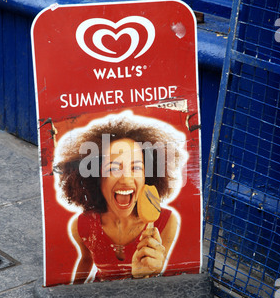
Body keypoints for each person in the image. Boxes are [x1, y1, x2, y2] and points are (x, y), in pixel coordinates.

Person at [54, 113, 187, 283]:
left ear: (148, 175)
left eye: (136, 167)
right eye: (113, 168)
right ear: (96, 178)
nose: (125, 179)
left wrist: (153, 270)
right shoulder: (81, 226)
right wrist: (74, 292)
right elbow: (86, 260)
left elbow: (159, 277)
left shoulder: (166, 222)